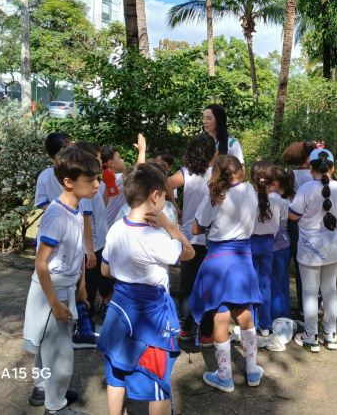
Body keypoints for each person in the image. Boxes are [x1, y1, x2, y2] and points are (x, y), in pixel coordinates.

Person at [98, 163, 195, 415]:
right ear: (155, 196)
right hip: (150, 315)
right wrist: (169, 225)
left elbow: (105, 270)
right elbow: (189, 253)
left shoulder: (116, 229)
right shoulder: (156, 237)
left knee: (116, 370)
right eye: (164, 197)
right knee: (156, 380)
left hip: (119, 308)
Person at [23, 147, 100, 415]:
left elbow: (76, 251)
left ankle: (43, 390)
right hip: (51, 292)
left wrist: (81, 287)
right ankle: (55, 408)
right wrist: (55, 303)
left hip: (65, 287)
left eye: (97, 179)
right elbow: (41, 263)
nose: (97, 185)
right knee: (61, 356)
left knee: (48, 346)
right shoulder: (56, 214)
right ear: (68, 182)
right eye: (90, 180)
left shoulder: (76, 207)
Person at [188, 154, 263, 392]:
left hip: (218, 260)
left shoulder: (213, 197)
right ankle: (252, 370)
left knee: (220, 315)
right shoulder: (250, 190)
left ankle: (225, 376)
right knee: (244, 311)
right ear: (241, 171)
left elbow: (196, 227)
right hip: (242, 259)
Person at [289, 148, 337, 353]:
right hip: (335, 249)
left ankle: (310, 335)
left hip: (310, 248)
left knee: (309, 291)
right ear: (332, 168)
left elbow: (293, 216)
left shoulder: (306, 189)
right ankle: (330, 334)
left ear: (310, 168)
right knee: (330, 289)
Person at [167, 133, 217, 347]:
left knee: (187, 283)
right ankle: (206, 333)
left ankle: (185, 328)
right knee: (209, 285)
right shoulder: (219, 173)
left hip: (189, 235)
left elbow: (166, 184)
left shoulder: (185, 173)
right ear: (213, 153)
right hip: (212, 236)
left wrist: (175, 207)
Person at [72, 142, 112, 342]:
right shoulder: (86, 185)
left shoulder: (95, 183)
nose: (100, 161)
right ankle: (82, 329)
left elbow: (100, 208)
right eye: (97, 158)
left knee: (93, 286)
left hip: (98, 243)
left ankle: (87, 323)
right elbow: (86, 218)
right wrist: (89, 250)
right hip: (92, 246)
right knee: (87, 289)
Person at [281, 140, 318, 317]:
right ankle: (312, 306)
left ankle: (301, 308)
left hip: (293, 222)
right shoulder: (316, 177)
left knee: (297, 265)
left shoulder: (290, 174)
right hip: (314, 224)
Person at [249, 161, 281, 336]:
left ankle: (250, 324)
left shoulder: (248, 197)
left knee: (250, 284)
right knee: (265, 285)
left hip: (250, 242)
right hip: (269, 243)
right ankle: (265, 324)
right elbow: (282, 219)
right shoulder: (277, 199)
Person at [270, 166, 296, 321]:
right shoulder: (290, 199)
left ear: (276, 183)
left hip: (275, 244)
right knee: (283, 282)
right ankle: (284, 315)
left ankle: (274, 317)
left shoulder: (276, 200)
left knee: (274, 283)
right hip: (286, 243)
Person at [34, 132, 72, 211]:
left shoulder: (43, 175)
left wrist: (57, 212)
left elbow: (41, 202)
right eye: (71, 148)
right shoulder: (73, 171)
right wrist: (67, 212)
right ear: (63, 151)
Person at [102, 146, 126, 225]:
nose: (122, 160)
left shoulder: (102, 183)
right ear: (111, 163)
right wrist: (142, 151)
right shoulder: (117, 179)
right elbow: (138, 173)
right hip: (111, 227)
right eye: (119, 158)